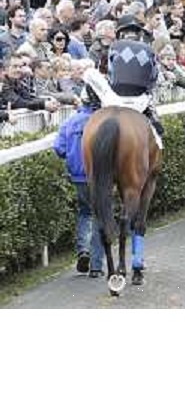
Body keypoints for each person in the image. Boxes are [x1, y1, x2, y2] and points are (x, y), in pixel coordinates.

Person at [84, 14, 164, 139]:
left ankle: (95, 111)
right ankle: (152, 116)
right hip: (140, 100)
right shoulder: (148, 50)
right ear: (138, 34)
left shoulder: (113, 48)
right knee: (158, 134)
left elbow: (104, 72)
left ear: (120, 33)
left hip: (114, 98)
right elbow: (154, 77)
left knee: (89, 73)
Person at [53, 89, 104, 278]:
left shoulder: (70, 121)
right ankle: (96, 266)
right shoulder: (103, 121)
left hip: (78, 177)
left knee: (85, 213)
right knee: (100, 215)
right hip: (99, 176)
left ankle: (83, 250)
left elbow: (59, 148)